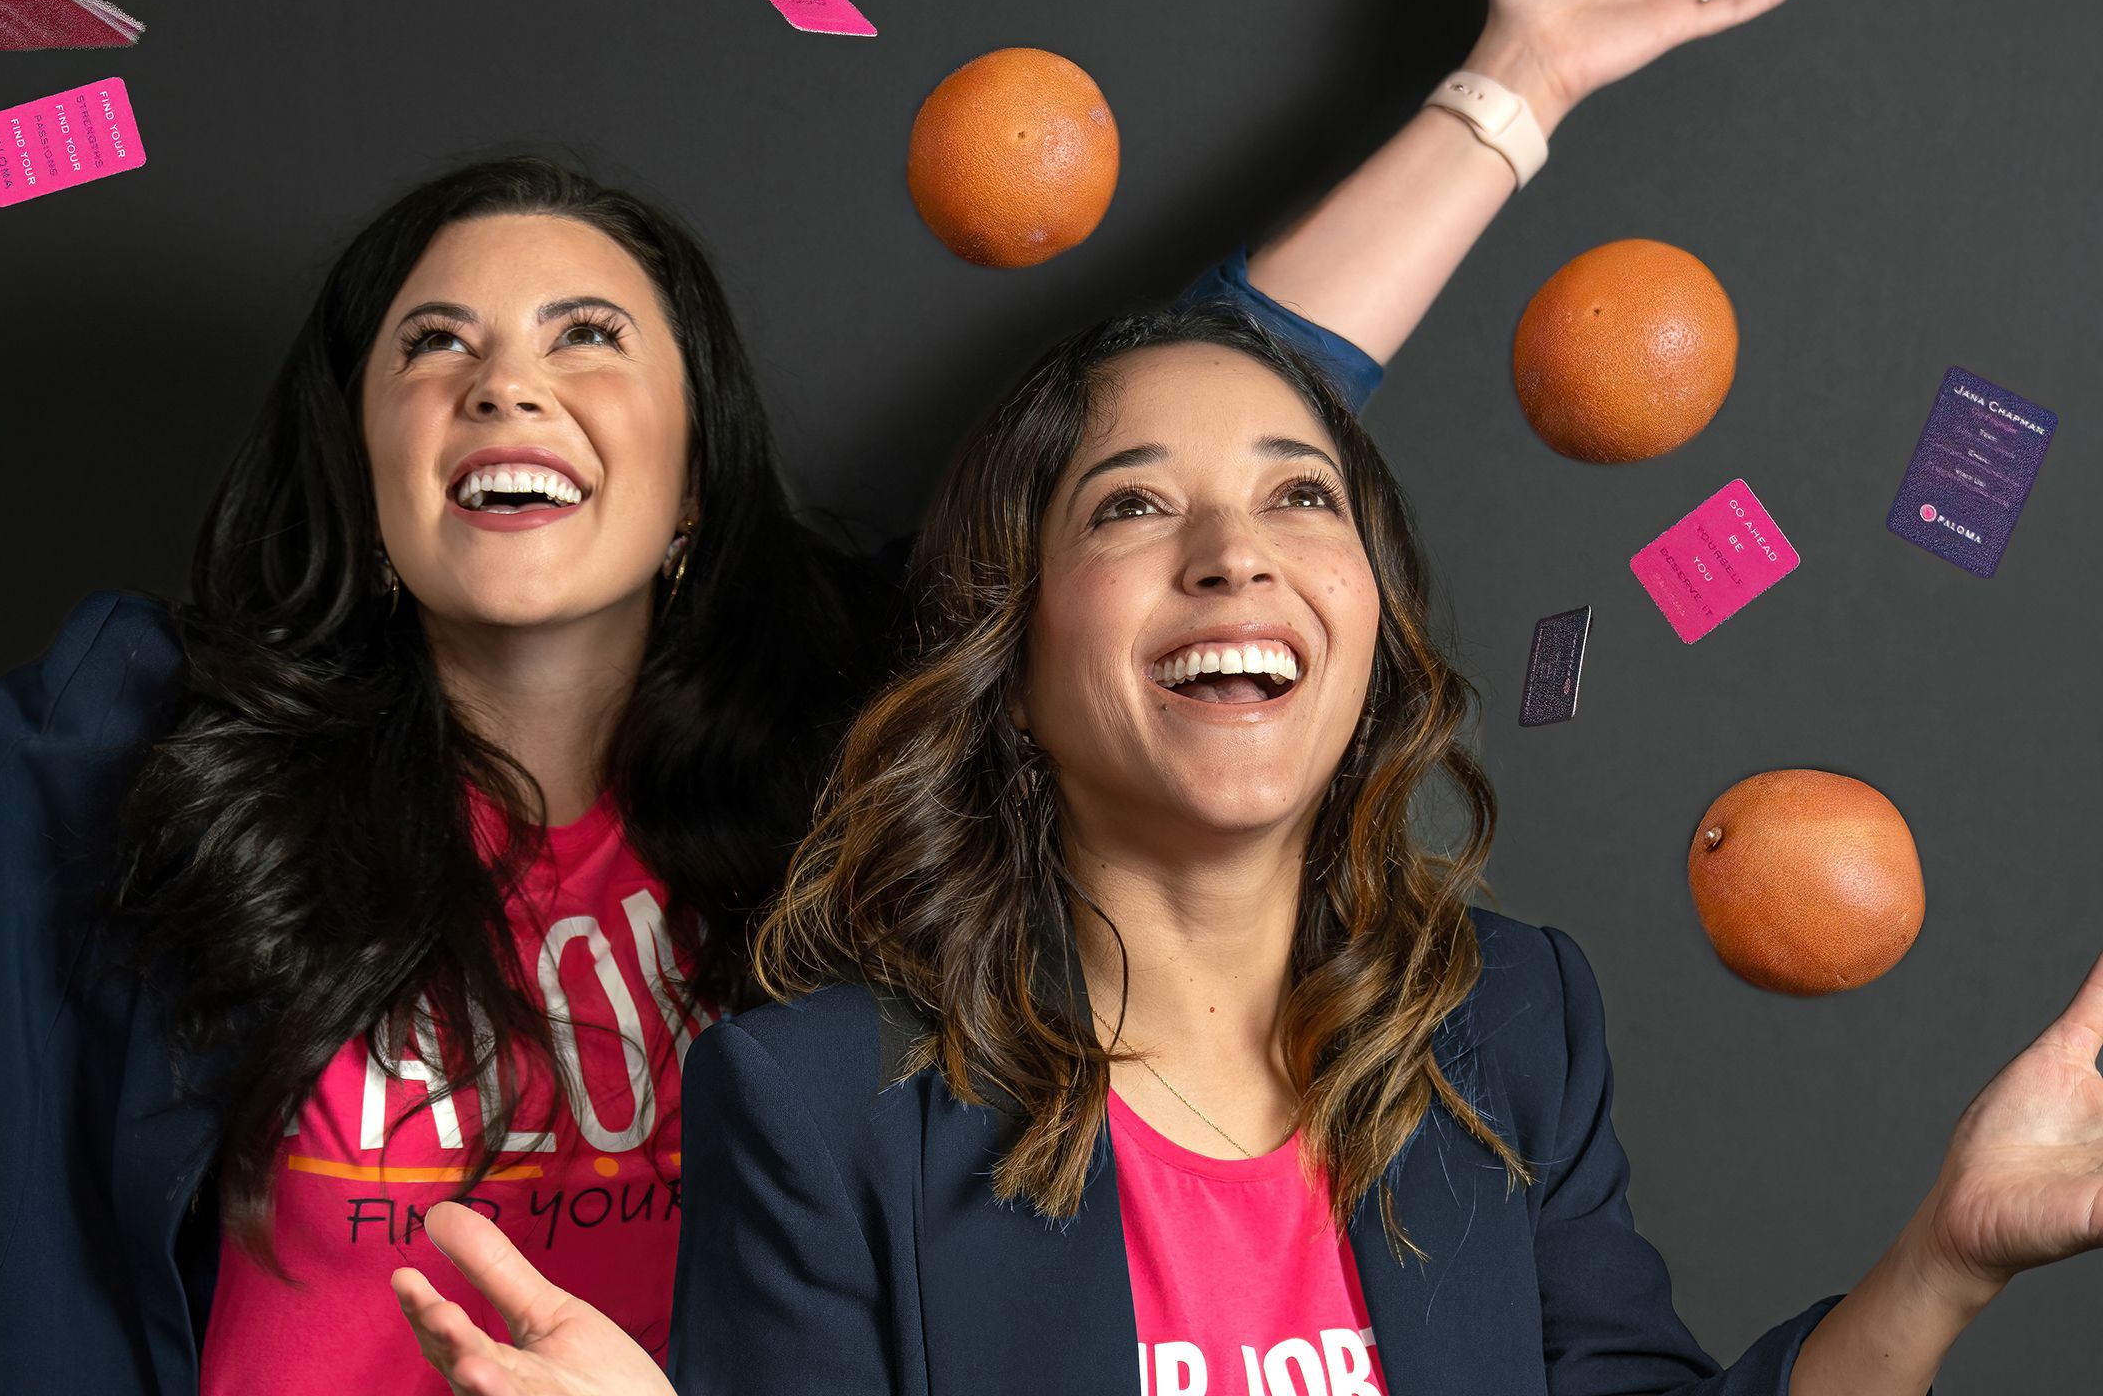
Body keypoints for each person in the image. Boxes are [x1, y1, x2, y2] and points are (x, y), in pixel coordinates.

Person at [0, 0, 1815, 1390]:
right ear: (369, 465)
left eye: (583, 339)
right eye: (431, 347)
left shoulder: (874, 721)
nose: (500, 386)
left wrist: (1510, 84)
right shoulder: (129, 752)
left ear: (690, 470)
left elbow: (1182, 435)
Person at [392, 306, 2103, 1396]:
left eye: (1302, 497)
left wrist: (1939, 1265)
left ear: (1367, 624)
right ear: (1014, 653)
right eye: (1133, 506)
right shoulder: (821, 1098)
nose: (1235, 553)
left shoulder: (1508, 1021)